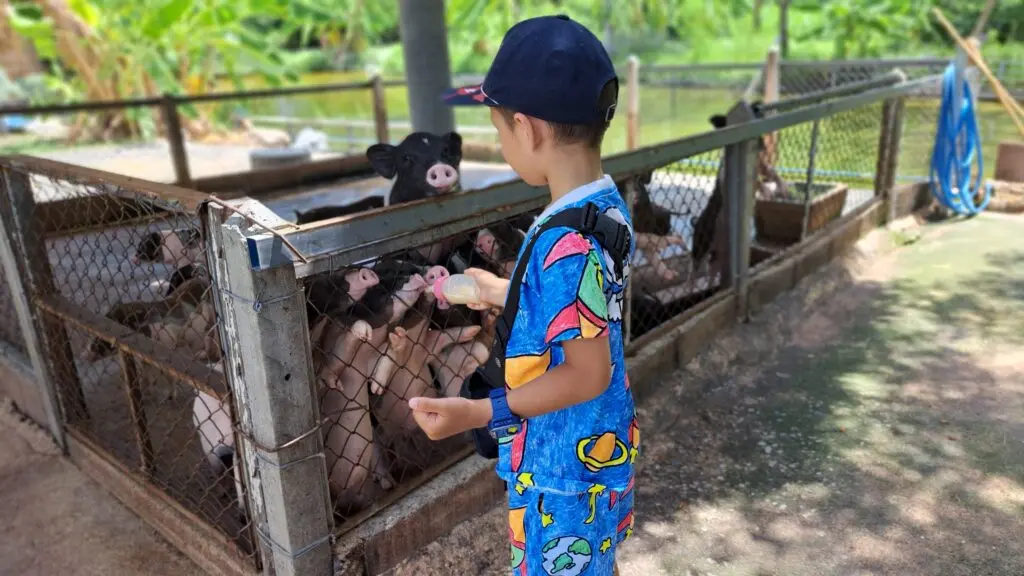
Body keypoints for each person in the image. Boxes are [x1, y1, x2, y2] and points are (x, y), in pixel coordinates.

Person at [407, 14, 638, 576]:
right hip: (595, 449)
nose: (500, 142)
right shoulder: (601, 208)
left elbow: (586, 374)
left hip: (561, 470)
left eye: (499, 129)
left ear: (528, 129)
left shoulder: (568, 238)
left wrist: (478, 412)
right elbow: (585, 310)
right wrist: (507, 292)